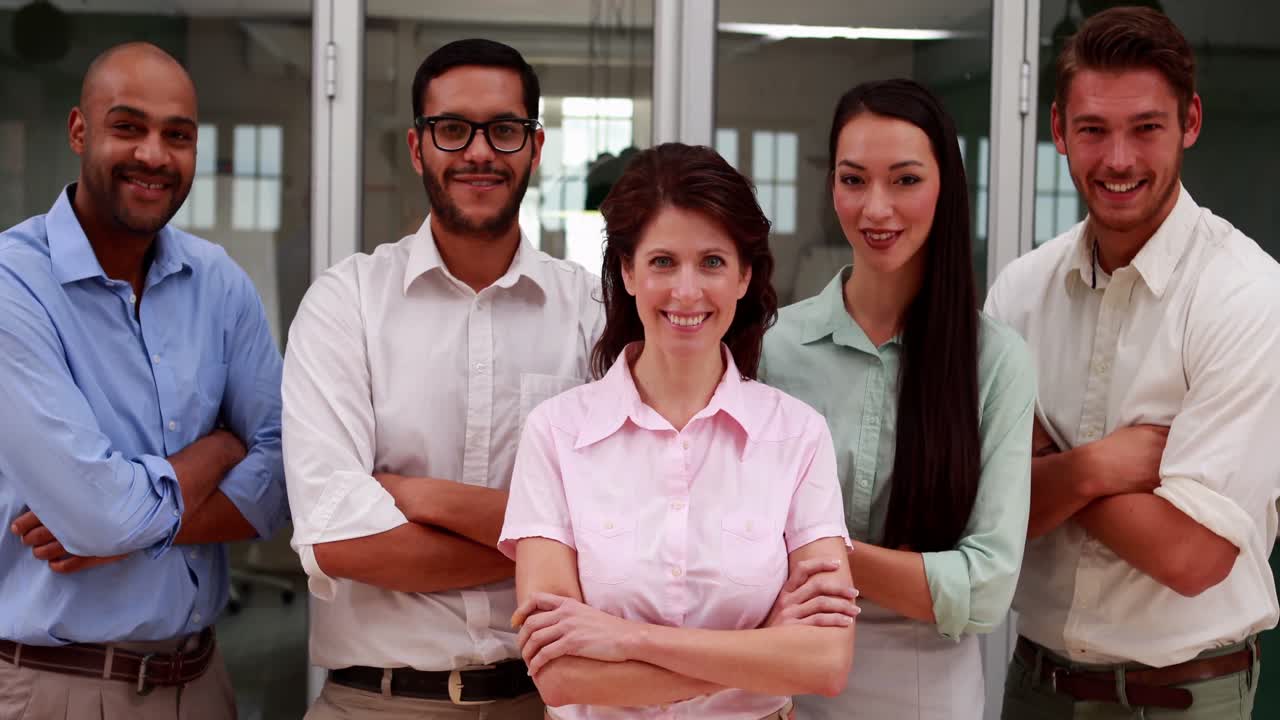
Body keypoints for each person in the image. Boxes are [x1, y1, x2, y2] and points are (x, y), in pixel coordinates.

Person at [282, 39, 601, 719]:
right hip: (376, 703)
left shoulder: (592, 315)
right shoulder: (348, 304)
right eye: (452, 129)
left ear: (535, 148)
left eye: (504, 130)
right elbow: (339, 539)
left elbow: (614, 527)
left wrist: (417, 496)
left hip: (544, 703)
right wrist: (547, 545)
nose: (479, 152)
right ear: (417, 147)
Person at [985, 7, 1279, 718]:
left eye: (1146, 128)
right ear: (1058, 129)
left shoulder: (1249, 297)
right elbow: (986, 509)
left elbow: (1191, 557)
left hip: (1184, 697)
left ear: (1191, 122)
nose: (1117, 160)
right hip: (1036, 688)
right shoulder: (1021, 293)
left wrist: (1049, 468)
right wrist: (1104, 465)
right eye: (1092, 130)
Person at [500, 142, 859, 719]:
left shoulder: (796, 437)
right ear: (627, 271)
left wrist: (626, 641)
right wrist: (763, 646)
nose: (687, 291)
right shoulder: (556, 435)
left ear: (744, 276)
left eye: (713, 262)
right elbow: (562, 676)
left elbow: (824, 664)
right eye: (663, 262)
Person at [0, 42, 288, 719]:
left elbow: (280, 484)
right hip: (55, 687)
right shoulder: (14, 286)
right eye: (128, 126)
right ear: (79, 130)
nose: (154, 155)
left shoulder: (219, 283)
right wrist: (218, 450)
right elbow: (98, 515)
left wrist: (119, 531)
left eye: (177, 135)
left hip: (204, 680)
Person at [761, 79, 1037, 720]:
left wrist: (818, 548)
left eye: (905, 180)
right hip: (778, 675)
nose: (875, 208)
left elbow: (988, 588)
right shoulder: (771, 348)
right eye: (853, 180)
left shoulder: (993, 360)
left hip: (927, 691)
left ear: (946, 187)